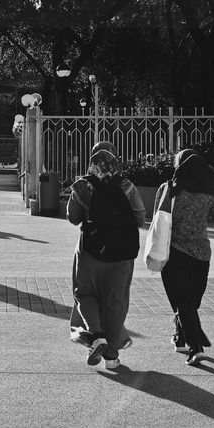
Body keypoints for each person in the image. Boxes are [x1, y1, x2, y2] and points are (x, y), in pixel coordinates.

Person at [158, 149, 214, 365]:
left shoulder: (168, 189)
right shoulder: (210, 194)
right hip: (201, 258)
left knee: (186, 304)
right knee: (188, 303)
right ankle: (190, 344)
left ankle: (189, 343)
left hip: (174, 255)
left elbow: (158, 221)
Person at [66, 146, 145, 369]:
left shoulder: (82, 185)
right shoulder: (127, 185)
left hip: (91, 251)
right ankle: (112, 356)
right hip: (122, 254)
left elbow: (73, 218)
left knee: (85, 293)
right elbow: (140, 217)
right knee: (115, 301)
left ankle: (97, 335)